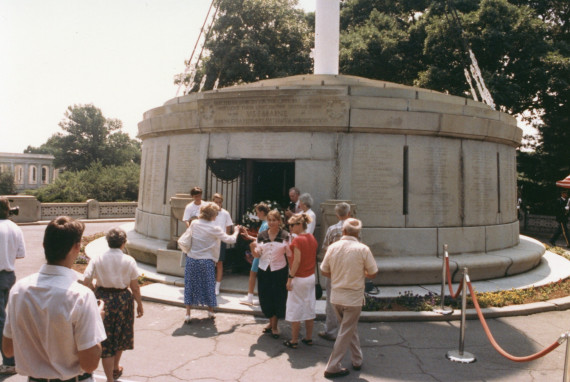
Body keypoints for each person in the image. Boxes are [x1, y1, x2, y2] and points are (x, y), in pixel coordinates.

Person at [2, 216, 106, 381]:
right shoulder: (82, 296)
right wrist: (97, 320)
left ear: (44, 246)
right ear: (77, 247)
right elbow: (90, 364)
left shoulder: (19, 290)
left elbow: (8, 350)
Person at [83, 227, 144, 382]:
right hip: (123, 299)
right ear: (124, 243)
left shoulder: (98, 258)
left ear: (108, 242)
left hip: (102, 299)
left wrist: (93, 291)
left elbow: (86, 280)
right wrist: (139, 304)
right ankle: (114, 370)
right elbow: (135, 286)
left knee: (106, 339)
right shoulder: (128, 260)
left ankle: (112, 373)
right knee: (121, 335)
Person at [320, 218, 378, 378]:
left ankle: (357, 359)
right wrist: (361, 274)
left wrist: (337, 276)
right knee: (346, 330)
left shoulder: (333, 247)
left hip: (336, 296)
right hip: (353, 297)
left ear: (343, 231)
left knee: (348, 329)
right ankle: (332, 366)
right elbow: (373, 273)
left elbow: (324, 271)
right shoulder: (363, 249)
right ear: (358, 233)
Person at [183, 202, 240, 322]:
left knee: (190, 286)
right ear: (212, 214)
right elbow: (230, 240)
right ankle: (210, 311)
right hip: (206, 261)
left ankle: (188, 314)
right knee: (208, 286)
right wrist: (237, 231)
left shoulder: (194, 223)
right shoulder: (215, 228)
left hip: (192, 259)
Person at [250, 209, 291, 338]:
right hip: (264, 270)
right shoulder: (261, 235)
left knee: (277, 297)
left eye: (274, 220)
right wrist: (252, 248)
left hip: (279, 270)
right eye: (269, 220)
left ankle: (274, 326)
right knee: (265, 297)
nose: (272, 222)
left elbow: (289, 255)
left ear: (279, 221)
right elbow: (257, 254)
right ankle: (271, 322)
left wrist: (291, 275)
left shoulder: (285, 235)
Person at [318, 202, 352, 342]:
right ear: (349, 214)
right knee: (347, 300)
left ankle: (331, 331)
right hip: (349, 269)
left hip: (334, 269)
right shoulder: (355, 229)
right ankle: (345, 331)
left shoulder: (332, 229)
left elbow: (326, 248)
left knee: (332, 301)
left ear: (337, 214)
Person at [283, 213, 318, 349]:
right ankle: (308, 337)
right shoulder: (311, 238)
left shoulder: (298, 240)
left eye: (292, 225)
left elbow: (297, 261)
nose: (290, 227)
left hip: (299, 277)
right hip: (310, 276)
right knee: (309, 306)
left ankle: (294, 340)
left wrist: (290, 277)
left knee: (295, 306)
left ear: (299, 225)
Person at [0, 198, 25, 374]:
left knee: (1, 320)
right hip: (8, 275)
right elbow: (20, 254)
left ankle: (10, 360)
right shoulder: (15, 228)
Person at [240, 202, 270, 305]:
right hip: (261, 251)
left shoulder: (265, 224)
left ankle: (250, 298)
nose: (257, 215)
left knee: (254, 274)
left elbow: (261, 240)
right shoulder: (265, 223)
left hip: (260, 252)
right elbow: (260, 238)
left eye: (257, 212)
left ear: (262, 212)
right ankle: (256, 297)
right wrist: (248, 236)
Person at [212, 193, 234, 296]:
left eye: (219, 202)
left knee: (219, 263)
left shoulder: (225, 213)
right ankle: (210, 284)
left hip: (220, 241)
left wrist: (225, 237)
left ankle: (217, 286)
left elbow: (228, 227)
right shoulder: (210, 212)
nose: (218, 204)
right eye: (216, 202)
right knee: (210, 263)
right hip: (211, 240)